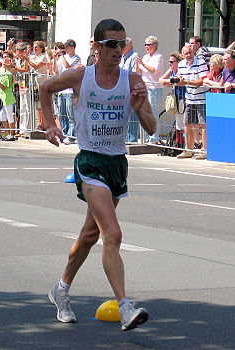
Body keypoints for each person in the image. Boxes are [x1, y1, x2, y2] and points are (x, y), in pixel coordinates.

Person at [40, 18, 156, 331]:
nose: (119, 49)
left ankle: (60, 290)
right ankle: (125, 305)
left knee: (90, 235)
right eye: (112, 44)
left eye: (123, 43)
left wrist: (141, 105)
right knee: (113, 234)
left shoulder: (132, 80)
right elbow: (45, 87)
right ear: (97, 47)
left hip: (117, 164)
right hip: (90, 163)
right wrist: (50, 123)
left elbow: (152, 128)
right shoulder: (80, 77)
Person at [176, 45, 209, 159]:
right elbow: (180, 79)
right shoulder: (181, 65)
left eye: (190, 52)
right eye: (186, 53)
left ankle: (204, 150)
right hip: (189, 98)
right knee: (188, 123)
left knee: (203, 125)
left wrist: (187, 82)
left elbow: (204, 80)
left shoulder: (201, 62)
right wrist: (178, 81)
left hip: (202, 98)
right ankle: (188, 149)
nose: (189, 55)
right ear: (183, 55)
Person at [135, 35, 164, 144]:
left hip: (154, 89)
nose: (146, 46)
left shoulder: (158, 57)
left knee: (153, 113)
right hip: (144, 88)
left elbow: (154, 71)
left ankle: (154, 138)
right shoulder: (145, 57)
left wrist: (142, 63)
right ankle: (146, 138)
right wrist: (138, 64)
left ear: (155, 46)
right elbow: (139, 72)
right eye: (145, 44)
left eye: (149, 44)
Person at [54, 39, 81, 144]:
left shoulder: (76, 58)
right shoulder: (61, 58)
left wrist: (62, 56)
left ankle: (71, 135)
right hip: (62, 89)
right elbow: (56, 71)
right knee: (62, 114)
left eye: (67, 47)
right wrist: (54, 59)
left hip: (70, 90)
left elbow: (68, 68)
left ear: (73, 47)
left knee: (70, 114)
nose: (65, 49)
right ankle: (63, 134)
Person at [159, 52, 186, 147]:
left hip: (183, 98)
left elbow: (179, 81)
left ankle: (186, 145)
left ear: (178, 62)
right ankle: (180, 144)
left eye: (171, 62)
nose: (169, 64)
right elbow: (161, 80)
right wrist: (171, 81)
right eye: (169, 62)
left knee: (184, 123)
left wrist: (170, 82)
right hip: (176, 98)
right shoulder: (171, 70)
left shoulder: (182, 70)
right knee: (179, 123)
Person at [119, 37, 139, 142]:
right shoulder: (122, 57)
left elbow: (134, 73)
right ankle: (125, 138)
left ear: (130, 45)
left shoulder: (134, 56)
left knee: (132, 117)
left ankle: (132, 139)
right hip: (122, 89)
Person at [0, 50, 16, 141]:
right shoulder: (1, 69)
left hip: (8, 94)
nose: (5, 58)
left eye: (7, 57)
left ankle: (11, 134)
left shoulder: (11, 70)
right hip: (1, 95)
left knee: (9, 115)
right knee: (2, 116)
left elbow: (5, 86)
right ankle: (7, 133)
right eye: (4, 57)